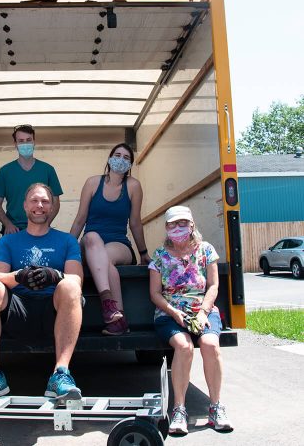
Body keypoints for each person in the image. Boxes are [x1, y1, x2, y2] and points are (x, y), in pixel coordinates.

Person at [0, 183, 83, 403]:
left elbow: (77, 278)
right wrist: (19, 276)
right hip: (18, 310)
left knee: (70, 286)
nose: (39, 205)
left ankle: (61, 375)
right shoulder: (9, 241)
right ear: (25, 206)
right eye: (34, 200)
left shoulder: (67, 241)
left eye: (45, 201)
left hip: (53, 310)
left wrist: (54, 275)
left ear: (52, 207)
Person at [148, 206, 233, 435]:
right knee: (184, 347)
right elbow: (155, 293)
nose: (178, 228)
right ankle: (179, 409)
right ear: (166, 228)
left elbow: (213, 285)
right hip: (170, 314)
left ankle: (216, 407)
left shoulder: (206, 250)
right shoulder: (159, 256)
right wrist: (175, 313)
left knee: (210, 344)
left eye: (182, 223)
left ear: (192, 225)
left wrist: (204, 311)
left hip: (203, 311)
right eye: (172, 224)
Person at [69, 143, 150, 336]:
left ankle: (110, 309)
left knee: (105, 258)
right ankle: (118, 315)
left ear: (130, 163)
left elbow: (135, 223)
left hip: (118, 243)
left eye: (126, 157)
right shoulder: (92, 183)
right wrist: (67, 248)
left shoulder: (133, 186)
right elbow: (80, 219)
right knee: (92, 237)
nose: (120, 160)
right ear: (109, 158)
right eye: (117, 155)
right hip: (90, 243)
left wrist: (143, 253)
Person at [0, 124, 63, 234]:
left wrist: (46, 224)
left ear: (34, 141)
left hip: (41, 229)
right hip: (14, 231)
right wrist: (8, 224)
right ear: (15, 144)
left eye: (28, 140)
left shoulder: (48, 170)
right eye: (21, 141)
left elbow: (56, 203)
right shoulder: (5, 171)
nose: (25, 144)